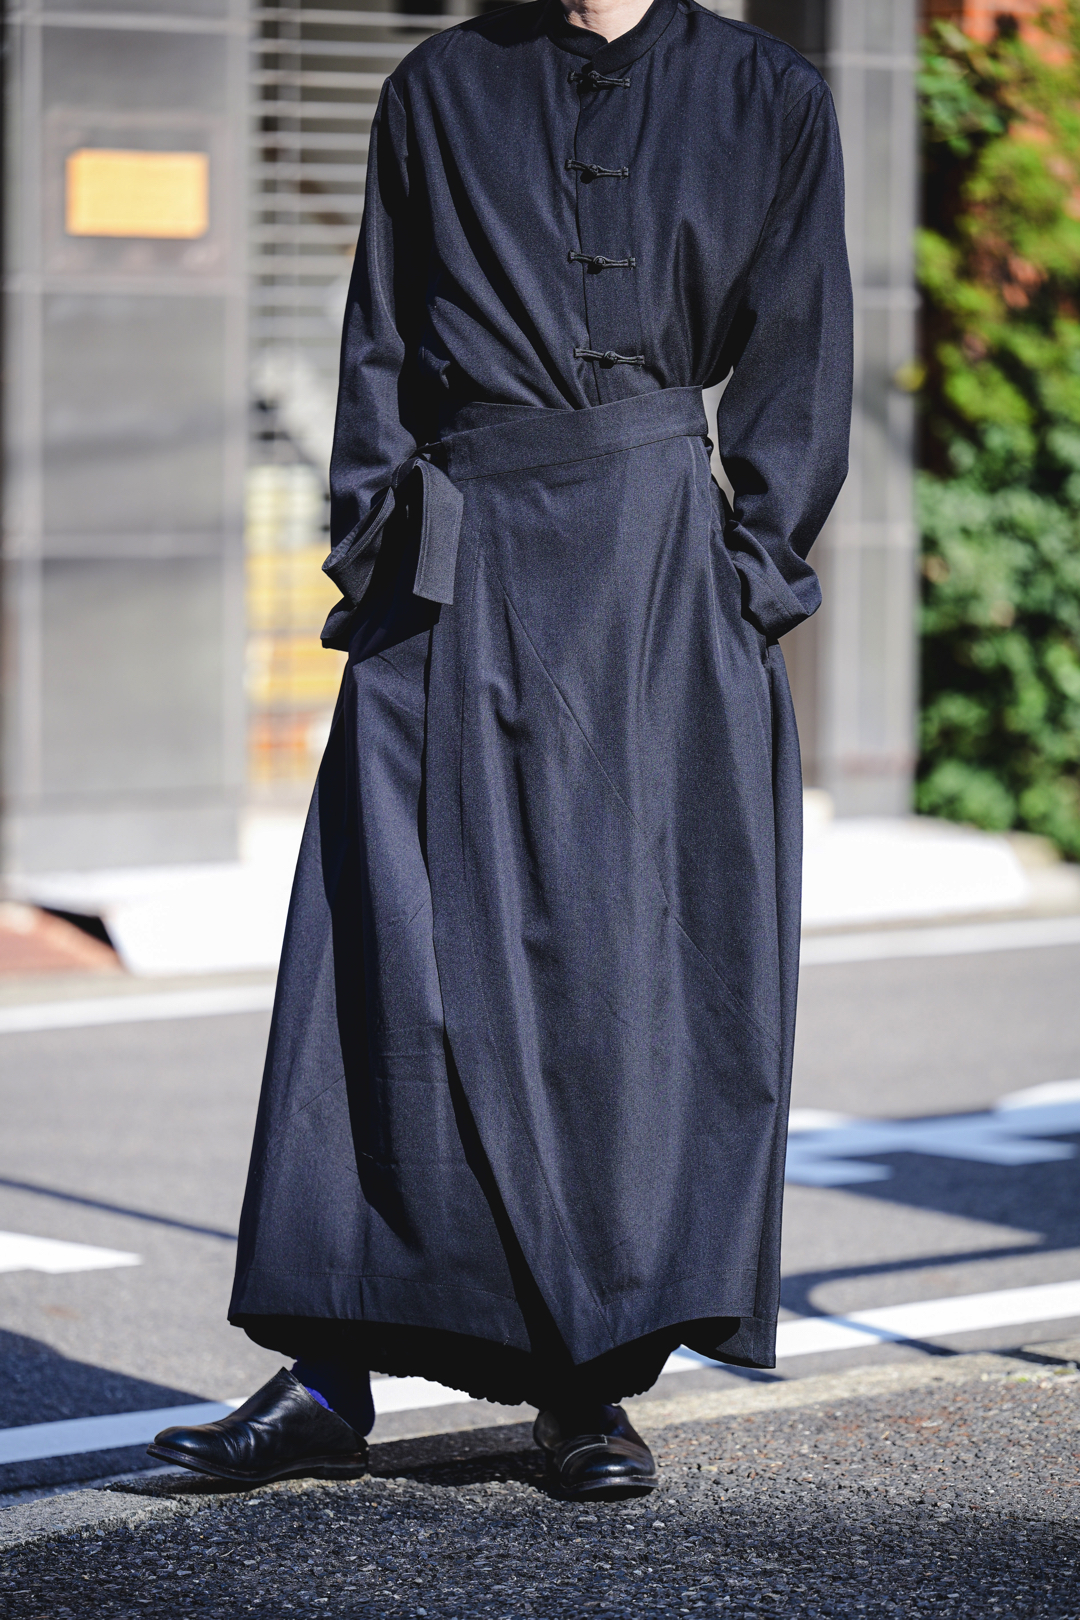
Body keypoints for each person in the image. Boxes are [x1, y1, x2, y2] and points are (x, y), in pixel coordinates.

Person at [149, 0, 851, 1499]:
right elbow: (382, 338)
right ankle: (327, 1375)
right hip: (453, 569)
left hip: (655, 584)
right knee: (381, 951)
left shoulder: (766, 96)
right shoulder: (437, 88)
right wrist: (374, 558)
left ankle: (586, 1387)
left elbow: (800, 354)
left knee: (615, 981)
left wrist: (746, 583)